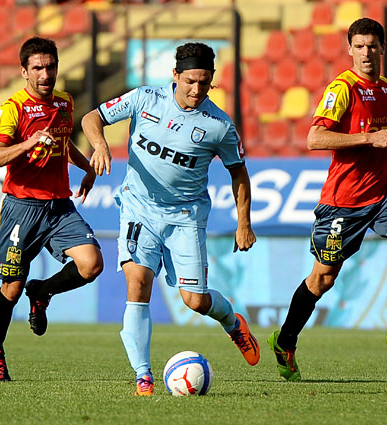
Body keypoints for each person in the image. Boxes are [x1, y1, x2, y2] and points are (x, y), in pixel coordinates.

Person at [82, 42, 259, 396]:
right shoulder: (144, 99)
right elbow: (91, 118)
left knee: (195, 300)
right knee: (138, 283)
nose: (197, 89)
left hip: (185, 217)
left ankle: (231, 321)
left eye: (205, 82)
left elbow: (239, 173)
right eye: (190, 81)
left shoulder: (220, 126)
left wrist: (244, 223)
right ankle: (143, 376)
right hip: (139, 208)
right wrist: (100, 144)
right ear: (175, 75)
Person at [267, 18, 387, 382]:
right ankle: (285, 340)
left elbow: (374, 134)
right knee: (323, 279)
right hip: (343, 202)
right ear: (349, 49)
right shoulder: (342, 88)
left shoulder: (384, 87)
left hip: (383, 191)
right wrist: (369, 139)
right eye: (358, 46)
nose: (365, 52)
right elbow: (315, 138)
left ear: (383, 48)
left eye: (372, 46)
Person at [0, 36, 104, 381]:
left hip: (59, 206)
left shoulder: (65, 102)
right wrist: (29, 143)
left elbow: (64, 143)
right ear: (24, 71)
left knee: (92, 264)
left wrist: (87, 167)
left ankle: (42, 290)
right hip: (22, 208)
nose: (45, 74)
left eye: (50, 67)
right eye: (37, 68)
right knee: (11, 289)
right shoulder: (12, 109)